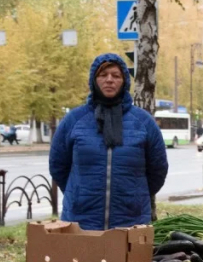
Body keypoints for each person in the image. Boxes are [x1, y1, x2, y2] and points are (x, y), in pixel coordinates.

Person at [50, 53, 168, 230]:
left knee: (126, 259)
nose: (109, 80)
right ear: (93, 80)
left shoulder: (143, 122)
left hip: (131, 221)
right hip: (81, 220)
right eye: (103, 75)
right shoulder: (74, 120)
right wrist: (78, 194)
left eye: (116, 75)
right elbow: (58, 165)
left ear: (125, 81)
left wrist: (135, 195)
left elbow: (158, 169)